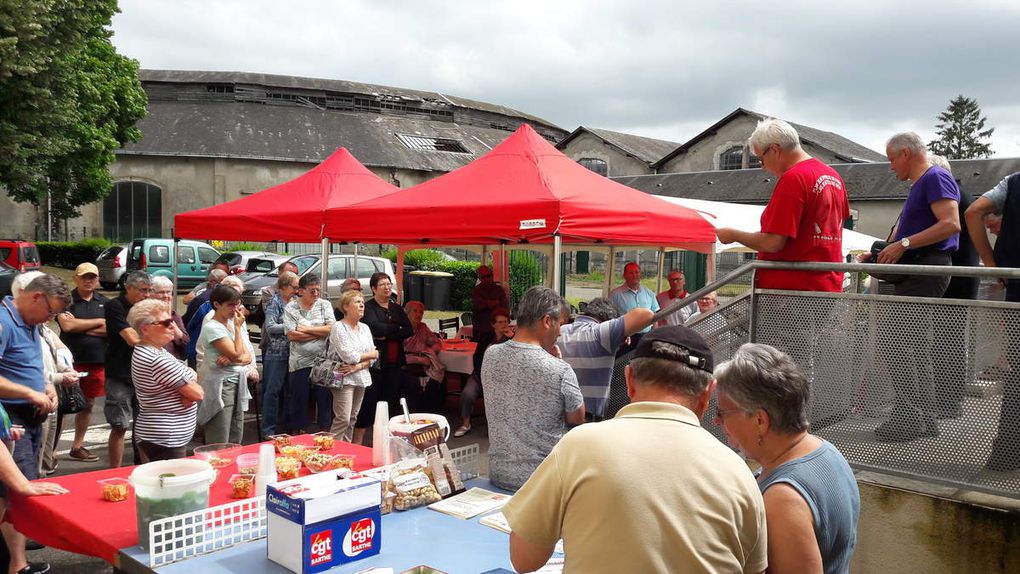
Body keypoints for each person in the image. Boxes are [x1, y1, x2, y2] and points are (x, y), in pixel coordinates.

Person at [503, 326, 766, 574]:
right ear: (709, 393)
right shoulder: (739, 473)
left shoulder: (579, 446)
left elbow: (524, 559)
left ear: (629, 379)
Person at [715, 343, 860, 574]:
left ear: (760, 420)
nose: (717, 422)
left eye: (722, 412)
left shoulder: (783, 499)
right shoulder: (827, 451)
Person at [866, 132, 961, 442]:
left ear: (905, 153)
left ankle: (909, 417)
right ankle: (924, 418)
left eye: (892, 158)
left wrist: (903, 244)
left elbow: (951, 223)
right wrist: (888, 249)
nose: (891, 166)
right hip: (923, 270)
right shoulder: (926, 181)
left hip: (925, 271)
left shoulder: (935, 177)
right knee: (915, 346)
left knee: (896, 343)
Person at [716, 118, 850, 292]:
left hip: (791, 291)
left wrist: (733, 235)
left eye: (761, 159)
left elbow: (773, 243)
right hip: (826, 284)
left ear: (774, 150)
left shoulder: (794, 178)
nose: (762, 166)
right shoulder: (833, 176)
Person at [0, 273, 69, 574]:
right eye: (50, 312)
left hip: (28, 415)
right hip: (11, 417)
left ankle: (16, 559)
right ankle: (18, 564)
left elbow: (27, 363)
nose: (50, 319)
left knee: (19, 490)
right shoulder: (3, 322)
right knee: (18, 492)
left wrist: (45, 385)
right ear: (35, 297)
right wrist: (29, 391)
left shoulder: (30, 322)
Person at [483, 286, 584, 491]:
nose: (559, 333)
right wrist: (557, 364)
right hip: (543, 481)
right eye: (560, 325)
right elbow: (577, 420)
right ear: (547, 321)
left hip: (499, 473)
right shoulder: (560, 370)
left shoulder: (490, 355)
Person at [965, 170, 1020, 471]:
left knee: (1017, 370)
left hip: (1018, 289)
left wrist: (991, 263)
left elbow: (974, 211)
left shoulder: (1013, 182)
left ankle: (1008, 452)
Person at [128, 299, 203, 461]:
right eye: (166, 322)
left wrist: (189, 379)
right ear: (145, 329)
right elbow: (197, 394)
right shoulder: (156, 359)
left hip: (162, 435)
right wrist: (190, 381)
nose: (173, 326)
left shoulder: (152, 350)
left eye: (172, 321)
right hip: (165, 438)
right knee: (170, 483)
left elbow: (189, 377)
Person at [557, 297, 655, 418]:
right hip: (587, 420)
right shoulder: (600, 333)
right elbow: (646, 315)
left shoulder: (558, 331)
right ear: (608, 321)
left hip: (556, 415)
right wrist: (619, 333)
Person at [55, 262, 108, 463]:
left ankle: (77, 446)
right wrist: (98, 323)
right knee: (62, 406)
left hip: (95, 363)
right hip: (70, 364)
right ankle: (51, 452)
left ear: (97, 279)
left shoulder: (104, 301)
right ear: (75, 279)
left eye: (92, 277)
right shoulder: (65, 301)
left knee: (87, 404)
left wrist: (81, 326)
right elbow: (67, 326)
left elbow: (110, 329)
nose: (88, 281)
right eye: (84, 277)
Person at [104, 270, 151, 468]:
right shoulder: (114, 306)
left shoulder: (148, 307)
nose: (147, 295)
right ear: (128, 287)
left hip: (143, 375)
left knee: (145, 427)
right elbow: (131, 339)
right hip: (119, 373)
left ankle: (144, 467)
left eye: (149, 291)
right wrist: (154, 338)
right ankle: (115, 471)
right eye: (142, 290)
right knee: (120, 425)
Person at [196, 285, 252, 444]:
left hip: (237, 380)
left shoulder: (232, 323)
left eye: (237, 304)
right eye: (230, 305)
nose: (234, 309)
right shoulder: (212, 327)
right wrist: (235, 355)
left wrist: (234, 357)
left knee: (236, 432)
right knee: (220, 434)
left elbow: (247, 355)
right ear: (216, 304)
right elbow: (238, 354)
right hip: (222, 385)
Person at [356, 272, 412, 433]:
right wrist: (396, 328)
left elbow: (408, 330)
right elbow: (374, 327)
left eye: (389, 284)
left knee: (389, 397)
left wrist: (387, 333)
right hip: (377, 362)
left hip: (395, 360)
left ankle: (385, 431)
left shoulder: (396, 307)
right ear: (374, 288)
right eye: (383, 285)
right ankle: (364, 430)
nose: (387, 287)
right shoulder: (369, 307)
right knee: (371, 397)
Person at [283, 274, 335, 433]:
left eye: (318, 290)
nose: (316, 293)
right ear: (301, 291)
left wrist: (306, 330)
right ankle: (299, 432)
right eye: (312, 290)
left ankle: (325, 431)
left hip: (323, 361)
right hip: (299, 362)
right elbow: (291, 335)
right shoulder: (291, 307)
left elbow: (332, 329)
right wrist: (320, 332)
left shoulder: (324, 305)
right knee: (299, 399)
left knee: (324, 398)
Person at [326, 291, 378, 443]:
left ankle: (345, 451)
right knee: (343, 418)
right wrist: (371, 355)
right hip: (343, 378)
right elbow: (350, 356)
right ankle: (330, 450)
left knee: (353, 418)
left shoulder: (365, 328)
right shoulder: (339, 327)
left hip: (361, 376)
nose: (362, 304)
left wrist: (358, 366)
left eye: (362, 302)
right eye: (357, 302)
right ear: (346, 306)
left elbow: (375, 357)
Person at [454, 307, 512, 437]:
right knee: (467, 394)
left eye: (505, 322)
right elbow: (477, 357)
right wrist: (483, 375)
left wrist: (513, 339)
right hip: (480, 374)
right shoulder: (486, 338)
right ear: (493, 324)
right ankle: (465, 424)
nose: (503, 325)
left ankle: (500, 427)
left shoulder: (513, 340)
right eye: (500, 322)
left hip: (502, 378)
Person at [261, 271, 298, 438]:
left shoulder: (295, 302)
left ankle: (288, 428)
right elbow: (269, 327)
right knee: (272, 392)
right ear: (284, 287)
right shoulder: (274, 303)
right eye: (294, 287)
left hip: (293, 353)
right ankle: (268, 430)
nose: (297, 290)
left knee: (291, 392)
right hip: (276, 354)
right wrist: (290, 328)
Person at [402, 300, 445, 414]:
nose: (418, 314)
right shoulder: (401, 329)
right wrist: (420, 359)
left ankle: (430, 412)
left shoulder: (423, 327)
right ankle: (414, 412)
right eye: (415, 311)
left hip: (423, 363)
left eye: (421, 312)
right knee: (412, 383)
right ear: (407, 313)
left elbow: (436, 343)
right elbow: (400, 355)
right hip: (406, 364)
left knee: (438, 378)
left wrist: (430, 351)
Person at [608, 262, 659, 351]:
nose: (634, 275)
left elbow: (655, 317)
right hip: (626, 339)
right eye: (631, 273)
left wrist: (654, 336)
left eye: (637, 272)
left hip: (645, 338)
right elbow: (610, 317)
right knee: (623, 363)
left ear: (640, 274)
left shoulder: (649, 293)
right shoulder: (615, 295)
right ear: (624, 275)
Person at [148, 276, 189, 360]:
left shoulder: (174, 315)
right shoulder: (145, 315)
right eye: (161, 292)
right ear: (151, 294)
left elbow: (186, 342)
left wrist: (174, 328)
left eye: (169, 292)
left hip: (174, 362)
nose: (166, 296)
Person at [471, 265, 508, 340]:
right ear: (480, 279)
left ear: (492, 275)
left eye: (489, 276)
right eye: (483, 277)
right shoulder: (477, 290)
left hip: (497, 329)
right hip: (481, 329)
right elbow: (479, 305)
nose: (487, 279)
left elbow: (505, 306)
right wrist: (493, 303)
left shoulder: (499, 289)